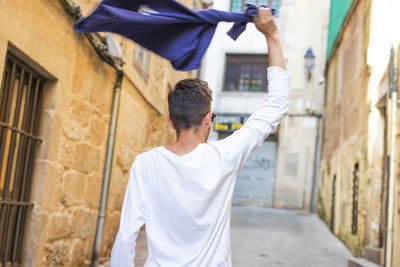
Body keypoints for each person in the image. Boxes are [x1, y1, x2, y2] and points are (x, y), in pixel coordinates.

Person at [110, 7, 290, 267]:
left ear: (171, 120)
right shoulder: (224, 156)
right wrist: (272, 35)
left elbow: (126, 236)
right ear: (208, 119)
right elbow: (277, 103)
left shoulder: (146, 164)